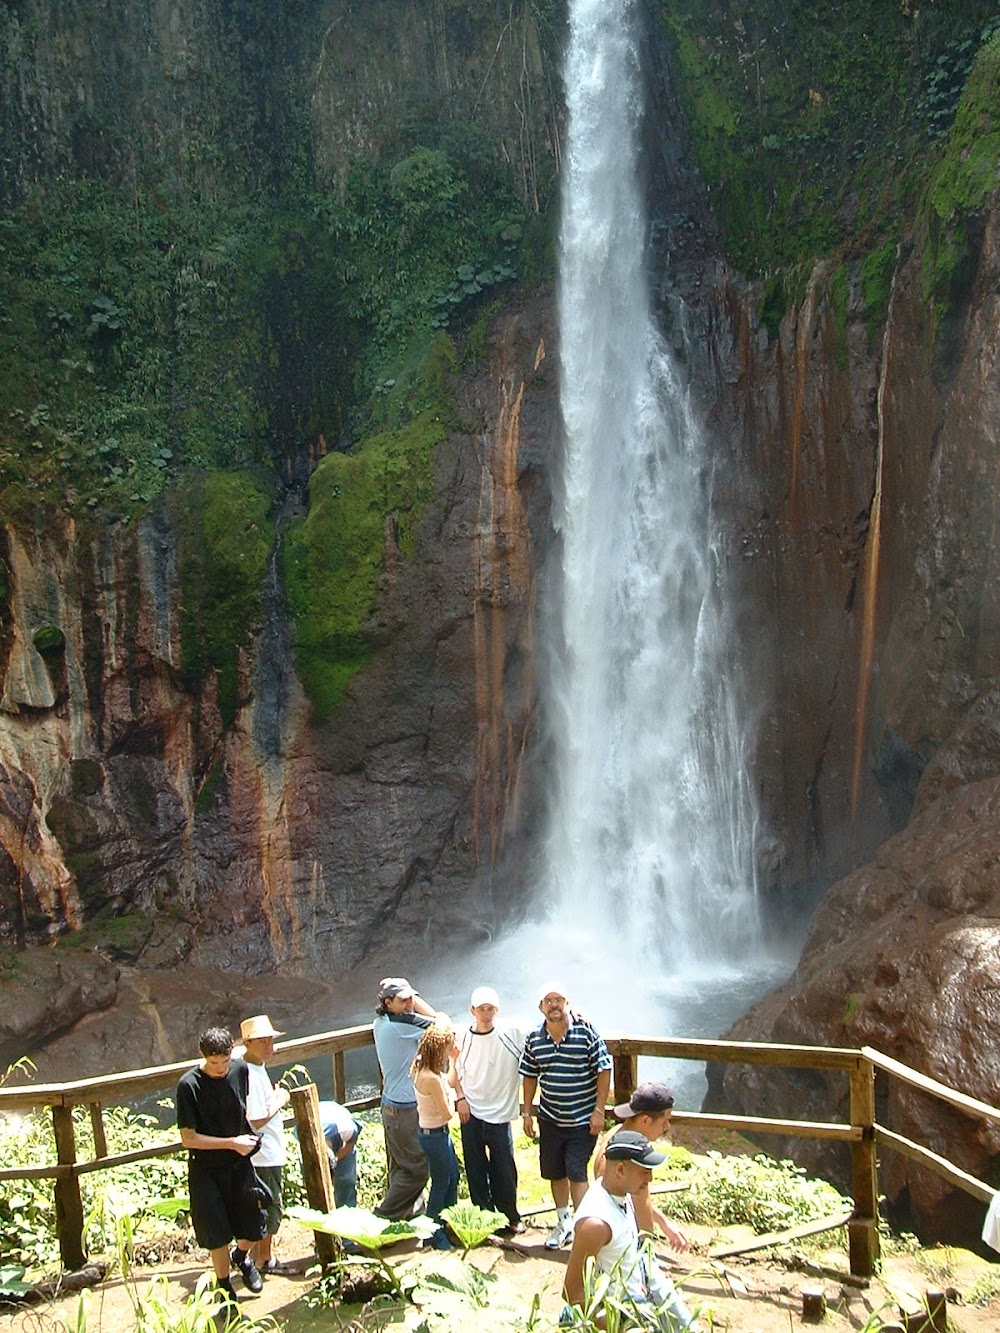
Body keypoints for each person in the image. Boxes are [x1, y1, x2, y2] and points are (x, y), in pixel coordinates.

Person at [563, 1130, 696, 1330]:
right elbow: (572, 1292)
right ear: (621, 1170)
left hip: (639, 1303)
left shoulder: (620, 1194)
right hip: (620, 1316)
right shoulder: (596, 1223)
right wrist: (616, 1327)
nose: (650, 1179)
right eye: (644, 1171)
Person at [176, 1027, 267, 1302]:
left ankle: (241, 1256)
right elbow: (188, 1138)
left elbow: (240, 1109)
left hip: (239, 1163)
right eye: (214, 1063)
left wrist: (248, 1139)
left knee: (254, 1222)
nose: (220, 1068)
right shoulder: (189, 1085)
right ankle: (224, 1285)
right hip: (206, 1168)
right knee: (216, 1232)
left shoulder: (240, 1071)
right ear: (203, 1057)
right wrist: (231, 1142)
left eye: (224, 1061)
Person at [520, 982, 612, 1249]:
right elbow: (529, 1074)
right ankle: (564, 1224)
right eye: (548, 1001)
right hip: (550, 1118)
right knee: (555, 1172)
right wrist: (527, 1112)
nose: (554, 1005)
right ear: (541, 1007)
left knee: (576, 1171)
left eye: (559, 999)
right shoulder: (534, 1039)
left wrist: (599, 1110)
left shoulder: (585, 1031)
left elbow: (604, 1068)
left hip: (582, 1119)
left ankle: (584, 1229)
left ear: (567, 1004)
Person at [453, 985, 525, 1236]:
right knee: (475, 1165)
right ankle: (483, 1216)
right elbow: (453, 1068)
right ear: (472, 1010)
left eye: (490, 1009)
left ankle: (509, 1216)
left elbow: (543, 1034)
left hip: (500, 1110)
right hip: (470, 1109)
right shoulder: (461, 1036)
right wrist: (460, 1097)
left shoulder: (511, 1034)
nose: (486, 1014)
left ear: (498, 1009)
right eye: (481, 1009)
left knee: (503, 1165)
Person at [593, 1082, 689, 1253]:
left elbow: (635, 1199)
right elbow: (641, 1207)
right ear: (645, 1120)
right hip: (624, 1245)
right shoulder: (632, 1161)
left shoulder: (614, 1135)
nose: (667, 1127)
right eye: (665, 1120)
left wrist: (664, 1223)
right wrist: (646, 1254)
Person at [372, 976, 436, 1218]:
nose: (409, 1004)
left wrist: (406, 992)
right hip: (405, 1109)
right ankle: (382, 1218)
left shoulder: (382, 1020)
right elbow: (442, 1024)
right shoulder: (402, 1024)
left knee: (400, 1167)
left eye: (412, 998)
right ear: (388, 1002)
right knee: (418, 1169)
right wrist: (417, 1000)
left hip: (392, 1106)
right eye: (404, 1000)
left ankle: (412, 1214)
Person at [240, 1014, 291, 1273]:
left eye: (270, 1039)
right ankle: (263, 1260)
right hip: (263, 1154)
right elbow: (256, 1119)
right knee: (270, 1205)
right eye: (262, 1040)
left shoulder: (252, 1066)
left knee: (263, 1204)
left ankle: (255, 1257)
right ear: (248, 1044)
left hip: (263, 1151)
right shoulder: (250, 1073)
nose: (269, 1044)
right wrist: (280, 1099)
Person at [411, 1019, 461, 1250]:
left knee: (453, 1177)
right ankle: (433, 1231)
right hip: (435, 1136)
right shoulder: (429, 1078)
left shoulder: (425, 1068)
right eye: (448, 1047)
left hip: (436, 1133)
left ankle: (446, 1223)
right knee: (442, 1182)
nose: (450, 1050)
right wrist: (454, 1099)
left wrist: (453, 1062)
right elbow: (448, 1113)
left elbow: (448, 1083)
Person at [318, 1099, 365, 1207]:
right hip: (322, 1114)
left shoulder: (346, 1129)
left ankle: (347, 1209)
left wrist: (337, 1158)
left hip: (336, 1118)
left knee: (345, 1179)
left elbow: (352, 1141)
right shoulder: (304, 1133)